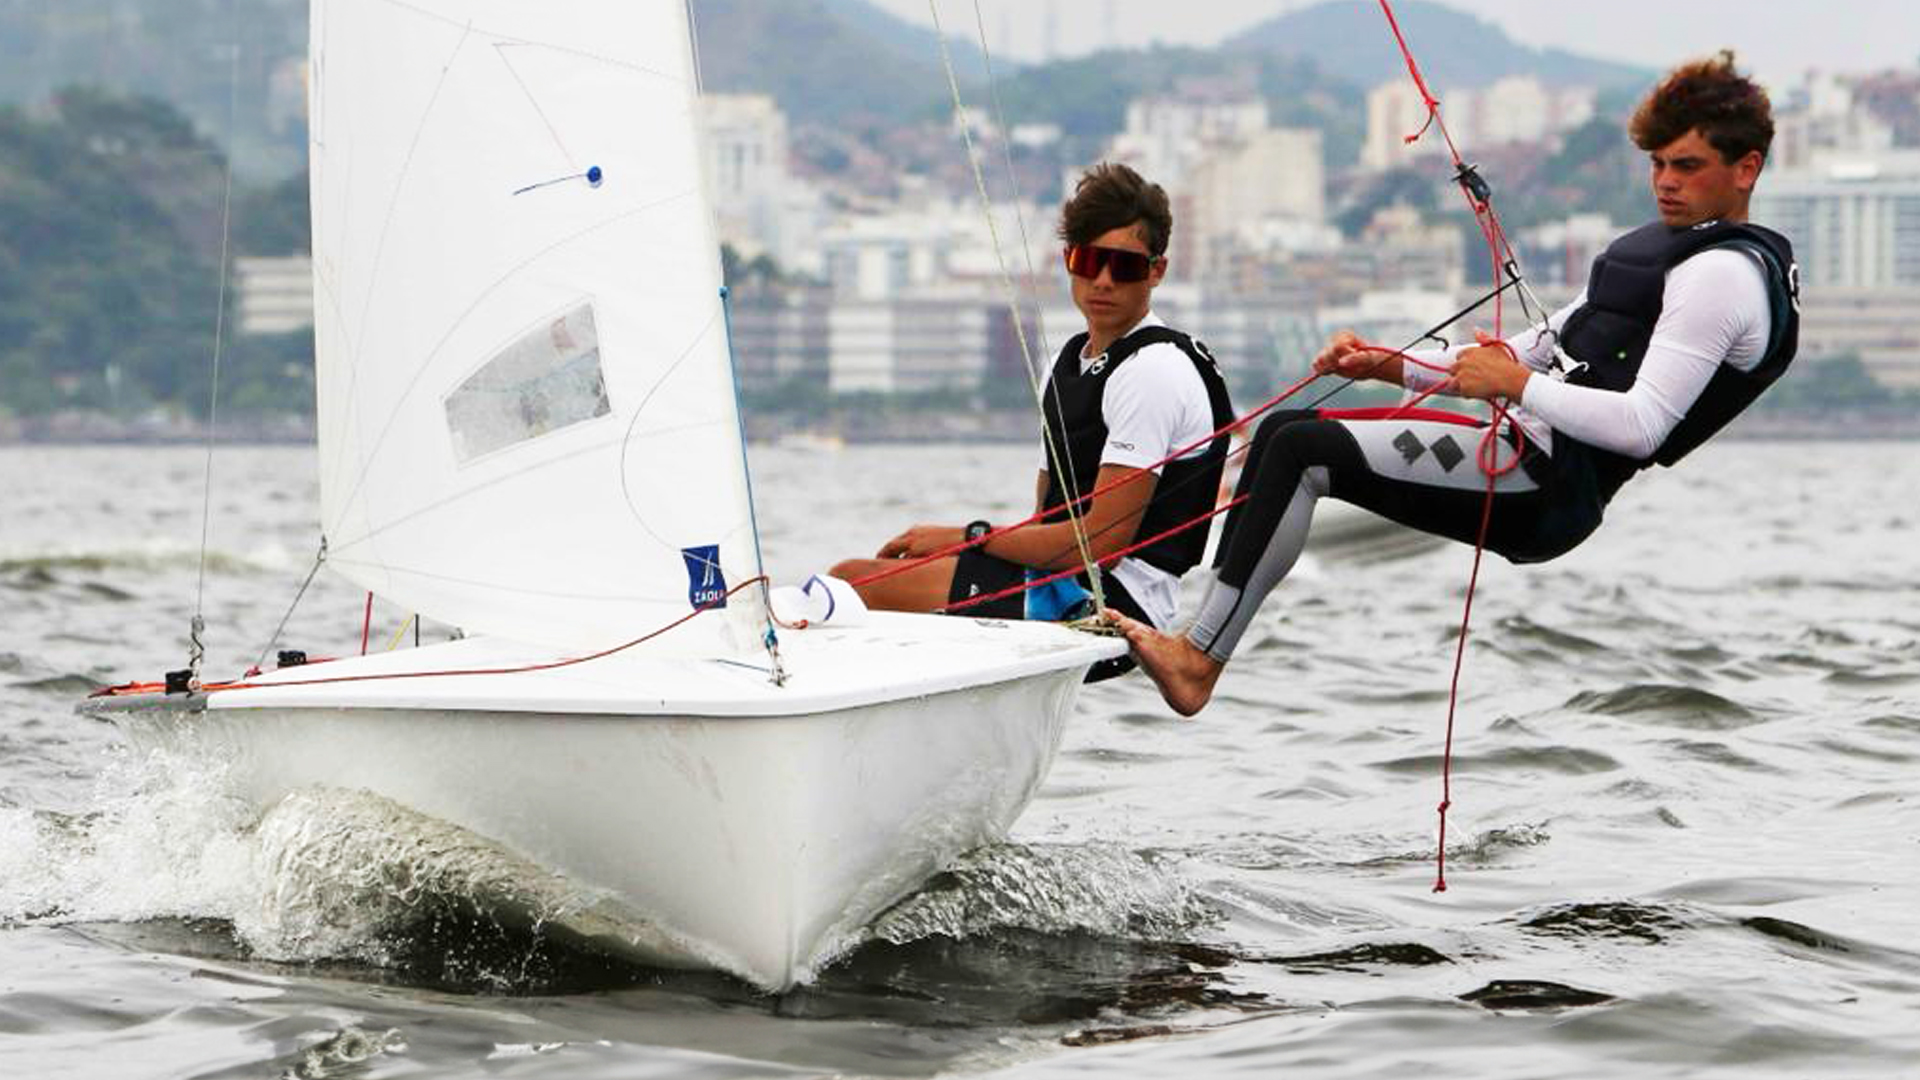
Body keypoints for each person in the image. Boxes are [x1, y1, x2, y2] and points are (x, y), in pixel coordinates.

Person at [1115, 51, 1800, 715]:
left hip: (1545, 489)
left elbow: (1642, 424)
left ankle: (1197, 658)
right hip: (1519, 454)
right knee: (1283, 435)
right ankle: (1187, 635)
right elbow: (1537, 348)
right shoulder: (1676, 253)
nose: (1664, 183)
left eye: (1686, 166)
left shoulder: (1722, 277)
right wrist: (1389, 365)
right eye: (1656, 164)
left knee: (1300, 452)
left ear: (1746, 169)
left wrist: (1513, 386)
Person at [830, 163, 1234, 676]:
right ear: (1068, 261)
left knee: (849, 588)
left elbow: (1100, 545)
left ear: (1157, 271)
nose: (1103, 281)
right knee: (876, 582)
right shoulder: (1065, 362)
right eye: (1088, 260)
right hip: (1062, 584)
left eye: (1125, 267)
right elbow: (1048, 517)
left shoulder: (1153, 369)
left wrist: (968, 536)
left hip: (1116, 609)